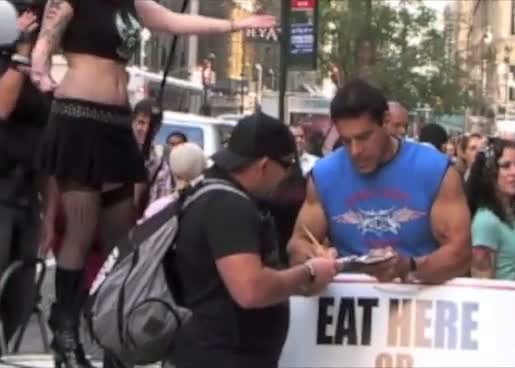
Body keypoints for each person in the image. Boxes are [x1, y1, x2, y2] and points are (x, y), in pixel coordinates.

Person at [29, 0, 275, 366]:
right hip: (78, 117)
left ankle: (113, 328)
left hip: (116, 123)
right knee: (81, 231)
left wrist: (237, 27)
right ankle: (65, 327)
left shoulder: (133, 4)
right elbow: (44, 44)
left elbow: (177, 21)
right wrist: (42, 74)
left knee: (121, 238)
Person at [170, 113, 338, 368]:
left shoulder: (213, 193)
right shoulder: (229, 205)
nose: (286, 176)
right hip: (221, 355)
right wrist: (310, 271)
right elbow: (251, 289)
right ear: (264, 165)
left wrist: (306, 278)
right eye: (286, 166)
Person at [288, 80, 471, 284]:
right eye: (347, 141)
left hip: (420, 301)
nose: (356, 151)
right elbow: (298, 243)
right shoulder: (324, 174)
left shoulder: (435, 170)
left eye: (364, 137)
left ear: (385, 122)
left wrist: (409, 267)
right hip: (350, 304)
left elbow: (460, 253)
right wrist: (313, 257)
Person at [0, 7, 49, 343]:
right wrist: (21, 52)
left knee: (19, 297)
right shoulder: (13, 66)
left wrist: (50, 212)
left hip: (27, 195)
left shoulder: (31, 71)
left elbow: (47, 145)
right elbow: (2, 107)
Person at [467, 138, 515, 281]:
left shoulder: (511, 215)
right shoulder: (486, 221)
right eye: (505, 166)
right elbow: (482, 284)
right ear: (488, 173)